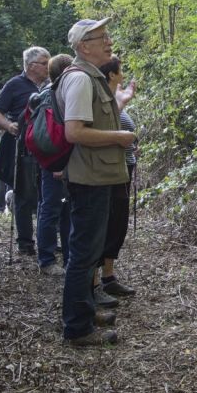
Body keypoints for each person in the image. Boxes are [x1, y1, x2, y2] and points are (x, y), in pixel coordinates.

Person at [55, 18, 135, 347]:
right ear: (84, 47)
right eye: (102, 37)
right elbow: (74, 132)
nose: (109, 42)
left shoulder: (91, 77)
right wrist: (120, 137)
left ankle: (84, 312)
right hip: (88, 179)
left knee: (88, 253)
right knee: (84, 254)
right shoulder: (81, 80)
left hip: (95, 176)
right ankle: (77, 328)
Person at [0, 47, 50, 256]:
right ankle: (25, 242)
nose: (48, 66)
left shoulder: (51, 85)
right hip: (22, 148)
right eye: (44, 62)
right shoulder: (14, 85)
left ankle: (47, 240)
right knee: (23, 195)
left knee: (48, 195)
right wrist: (9, 126)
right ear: (31, 65)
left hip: (48, 147)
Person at [95, 55, 138, 299]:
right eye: (120, 70)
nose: (122, 74)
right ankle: (95, 282)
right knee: (105, 224)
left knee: (117, 224)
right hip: (107, 172)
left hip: (121, 170)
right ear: (111, 74)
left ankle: (108, 276)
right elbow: (103, 132)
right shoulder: (104, 100)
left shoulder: (113, 100)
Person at [36, 53, 76, 276]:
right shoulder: (53, 95)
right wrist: (57, 164)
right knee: (52, 209)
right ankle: (48, 260)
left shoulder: (48, 93)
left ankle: (67, 258)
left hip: (54, 161)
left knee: (63, 209)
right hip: (56, 162)